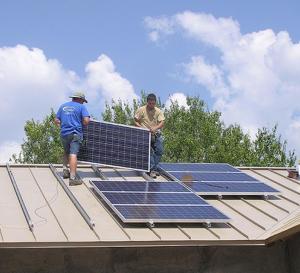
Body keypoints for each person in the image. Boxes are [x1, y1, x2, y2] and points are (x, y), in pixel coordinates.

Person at [55, 91, 90, 185]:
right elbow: (86, 120)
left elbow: (56, 120)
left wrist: (63, 125)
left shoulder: (63, 106)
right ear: (79, 99)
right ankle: (73, 179)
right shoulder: (81, 107)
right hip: (75, 133)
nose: (83, 102)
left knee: (66, 151)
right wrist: (81, 123)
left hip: (64, 134)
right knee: (73, 154)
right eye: (83, 100)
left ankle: (65, 170)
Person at [134, 93, 165, 178]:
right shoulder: (141, 110)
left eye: (153, 103)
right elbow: (136, 120)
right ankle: (151, 170)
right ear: (147, 102)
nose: (152, 105)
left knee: (160, 150)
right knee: (149, 152)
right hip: (144, 134)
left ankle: (153, 168)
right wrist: (141, 127)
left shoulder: (158, 111)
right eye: (150, 103)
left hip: (155, 133)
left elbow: (162, 122)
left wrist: (155, 128)